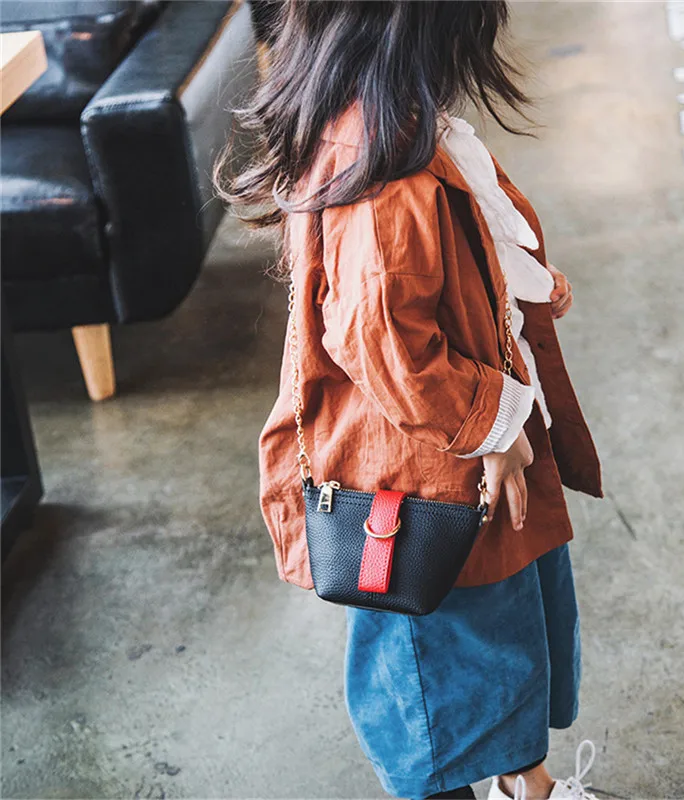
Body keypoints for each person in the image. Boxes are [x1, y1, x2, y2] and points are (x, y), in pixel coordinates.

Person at [217, 2, 604, 798]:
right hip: (423, 484)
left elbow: (459, 256)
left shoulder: (399, 132)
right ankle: (500, 784)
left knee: (500, 632)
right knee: (443, 665)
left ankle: (523, 783)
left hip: (458, 463)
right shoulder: (382, 173)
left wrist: (526, 287)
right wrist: (493, 426)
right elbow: (383, 341)